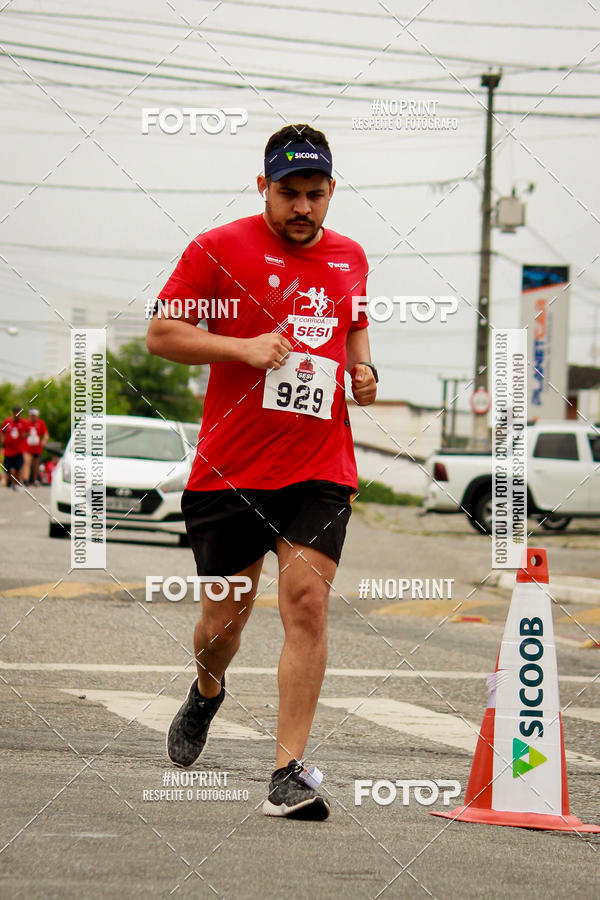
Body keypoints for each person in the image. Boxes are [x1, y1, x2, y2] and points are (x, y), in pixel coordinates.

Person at [146, 124, 377, 820]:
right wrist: (241, 348)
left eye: (315, 194)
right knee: (224, 621)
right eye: (288, 194)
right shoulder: (218, 248)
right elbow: (161, 333)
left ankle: (288, 771)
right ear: (263, 188)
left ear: (331, 191)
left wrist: (365, 369)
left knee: (305, 602)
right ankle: (207, 691)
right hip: (231, 470)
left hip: (319, 466)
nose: (302, 208)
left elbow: (353, 328)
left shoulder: (351, 257)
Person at [1, 406, 27, 490]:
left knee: (17, 467)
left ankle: (16, 483)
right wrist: (2, 439)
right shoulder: (7, 422)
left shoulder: (23, 423)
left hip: (18, 449)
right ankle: (10, 481)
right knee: (8, 467)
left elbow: (28, 432)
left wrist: (25, 435)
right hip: (8, 449)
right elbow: (2, 431)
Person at [22, 408, 49, 485]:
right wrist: (27, 434)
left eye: (35, 416)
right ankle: (26, 479)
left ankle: (35, 480)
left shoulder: (41, 423)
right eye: (32, 415)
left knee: (36, 464)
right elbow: (22, 434)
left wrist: (44, 441)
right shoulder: (26, 422)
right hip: (28, 447)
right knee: (27, 462)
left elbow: (46, 434)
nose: (33, 417)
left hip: (37, 448)